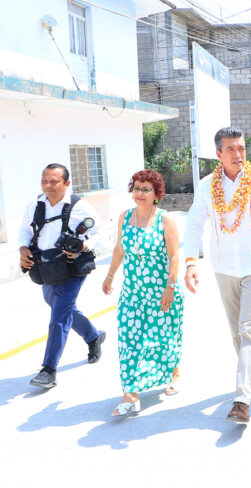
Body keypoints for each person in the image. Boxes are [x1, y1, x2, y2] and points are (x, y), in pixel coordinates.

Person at [184, 126, 251, 425]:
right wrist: (191, 262)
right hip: (223, 267)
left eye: (241, 148)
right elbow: (193, 224)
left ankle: (241, 401)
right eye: (231, 149)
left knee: (248, 329)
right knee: (235, 332)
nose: (238, 154)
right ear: (219, 154)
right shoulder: (206, 185)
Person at [102, 170, 184, 416]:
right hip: (133, 293)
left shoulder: (164, 220)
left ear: (157, 194)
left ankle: (173, 371)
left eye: (146, 189)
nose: (140, 193)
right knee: (129, 341)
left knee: (162, 340)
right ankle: (130, 393)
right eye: (137, 188)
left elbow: (174, 255)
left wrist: (170, 286)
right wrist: (109, 275)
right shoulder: (125, 217)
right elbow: (119, 248)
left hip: (161, 292)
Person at [19, 164, 105, 389]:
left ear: (66, 183)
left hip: (73, 267)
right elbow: (25, 231)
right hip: (46, 267)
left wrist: (84, 245)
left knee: (59, 316)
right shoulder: (35, 205)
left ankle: (49, 370)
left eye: (54, 181)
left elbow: (100, 234)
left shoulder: (80, 207)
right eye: (44, 181)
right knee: (56, 303)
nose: (48, 186)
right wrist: (22, 249)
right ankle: (93, 336)